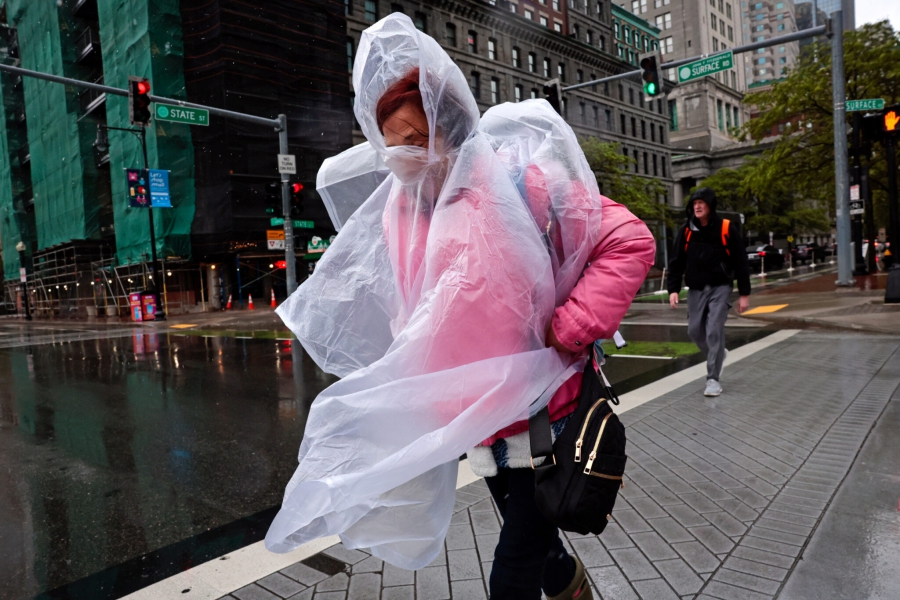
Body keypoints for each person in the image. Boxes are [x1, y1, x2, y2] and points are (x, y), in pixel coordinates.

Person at [266, 14, 654, 600]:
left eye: (413, 137)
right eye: (391, 141)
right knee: (531, 534)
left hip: (545, 412)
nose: (401, 154)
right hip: (477, 422)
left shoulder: (522, 182)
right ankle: (569, 583)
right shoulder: (401, 211)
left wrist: (573, 323)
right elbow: (418, 303)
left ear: (447, 127)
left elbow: (628, 240)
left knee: (515, 560)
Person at [667, 188, 751, 397]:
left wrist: (744, 294)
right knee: (694, 331)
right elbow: (677, 261)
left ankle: (713, 379)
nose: (697, 206)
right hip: (696, 289)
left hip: (720, 287)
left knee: (714, 329)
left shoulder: (725, 228)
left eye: (701, 203)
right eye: (694, 203)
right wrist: (673, 289)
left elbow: (741, 262)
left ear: (710, 206)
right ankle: (719, 354)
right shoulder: (687, 230)